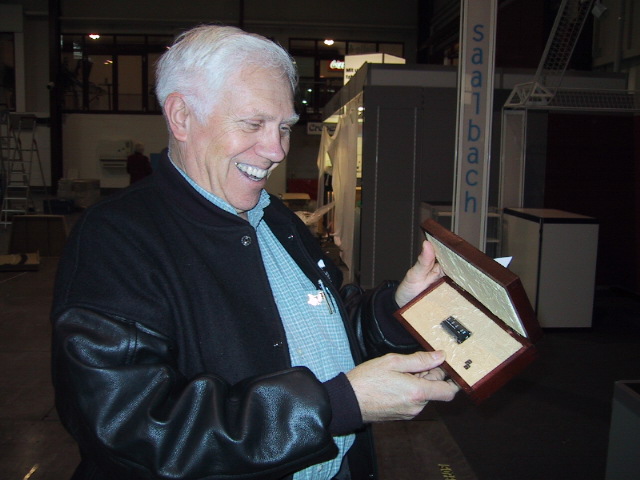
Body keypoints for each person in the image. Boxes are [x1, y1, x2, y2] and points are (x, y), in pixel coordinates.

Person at [51, 24, 459, 480]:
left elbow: (327, 327)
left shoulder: (274, 217)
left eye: (284, 126)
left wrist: (397, 310)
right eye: (253, 123)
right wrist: (339, 405)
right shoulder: (116, 240)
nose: (277, 149)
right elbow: (134, 430)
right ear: (181, 116)